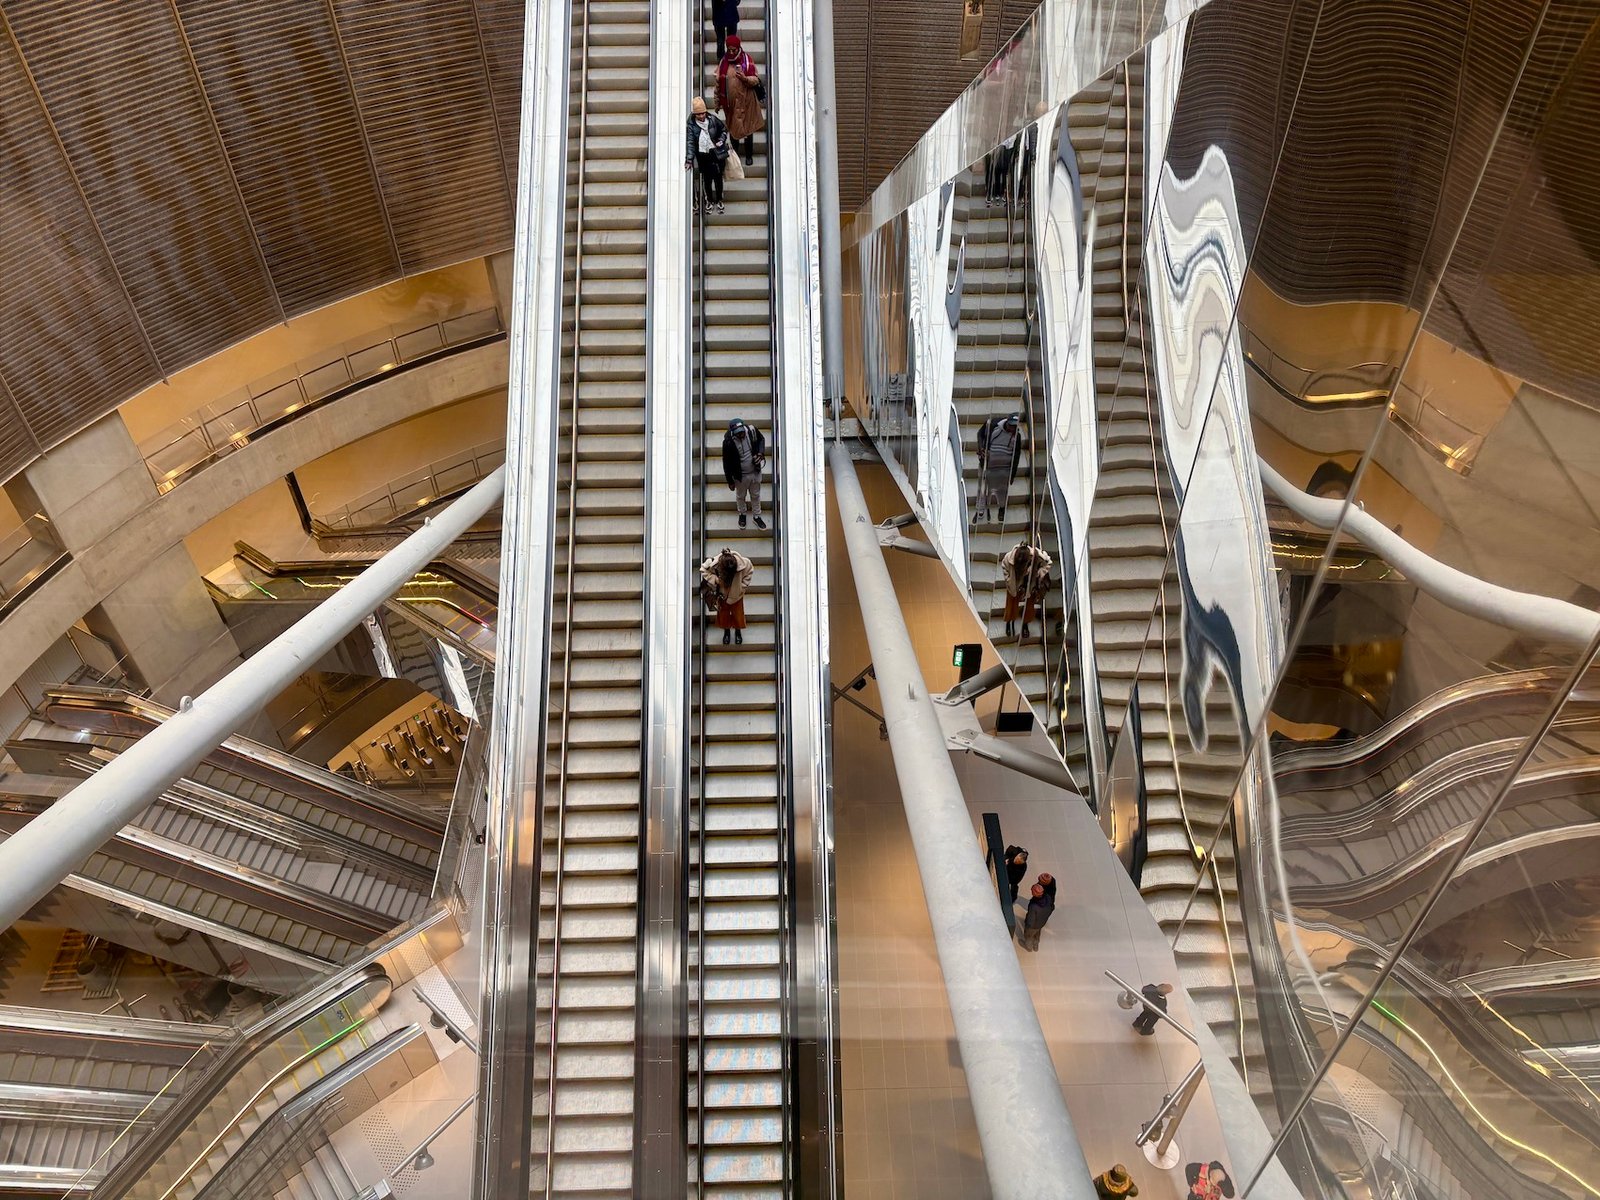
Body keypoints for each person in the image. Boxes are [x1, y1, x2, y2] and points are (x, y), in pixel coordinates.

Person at [717, 35, 765, 164]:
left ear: (738, 48)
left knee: (748, 129)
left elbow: (755, 80)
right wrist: (717, 102)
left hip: (747, 102)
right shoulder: (723, 62)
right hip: (731, 104)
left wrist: (745, 78)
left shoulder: (747, 61)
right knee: (734, 131)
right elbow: (718, 83)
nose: (731, 52)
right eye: (729, 50)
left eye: (734, 50)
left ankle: (749, 155)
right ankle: (736, 156)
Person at [685, 97, 730, 213]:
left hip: (716, 154)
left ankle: (719, 199)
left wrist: (721, 139)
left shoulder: (713, 120)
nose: (701, 116)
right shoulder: (691, 126)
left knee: (718, 178)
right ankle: (709, 200)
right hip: (703, 156)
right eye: (698, 114)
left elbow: (723, 130)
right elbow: (690, 142)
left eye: (702, 113)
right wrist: (689, 159)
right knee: (707, 180)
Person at [699, 547, 754, 644]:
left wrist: (742, 587)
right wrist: (715, 579)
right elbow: (703, 569)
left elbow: (749, 572)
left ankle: (738, 631)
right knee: (723, 615)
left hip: (737, 595)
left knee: (738, 614)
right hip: (722, 595)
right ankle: (727, 631)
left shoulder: (744, 563)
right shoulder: (714, 563)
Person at [999, 541, 1052, 640]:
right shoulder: (1009, 557)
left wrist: (1040, 573)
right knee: (1011, 604)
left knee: (1029, 607)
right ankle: (1010, 621)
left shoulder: (1036, 555)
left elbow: (1048, 562)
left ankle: (1025, 624)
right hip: (1014, 584)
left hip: (1030, 584)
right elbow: (1004, 567)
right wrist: (1009, 580)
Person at [975, 412, 1022, 521]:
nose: (1012, 429)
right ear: (1007, 422)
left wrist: (1012, 475)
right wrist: (981, 448)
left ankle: (1001, 509)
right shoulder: (992, 425)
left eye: (1015, 427)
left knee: (1002, 491)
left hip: (1003, 469)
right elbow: (980, 434)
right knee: (982, 488)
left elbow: (1016, 457)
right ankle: (981, 509)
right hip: (987, 464)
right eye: (1011, 426)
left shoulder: (1016, 437)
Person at [721, 417, 767, 529]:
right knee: (741, 496)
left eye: (742, 432)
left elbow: (761, 439)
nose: (741, 434)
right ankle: (742, 514)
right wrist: (730, 481)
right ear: (733, 432)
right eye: (738, 433)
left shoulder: (751, 431)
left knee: (755, 495)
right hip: (740, 476)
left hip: (754, 472)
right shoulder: (728, 442)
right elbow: (726, 463)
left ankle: (757, 516)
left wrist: (760, 453)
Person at [1016, 883, 1053, 951]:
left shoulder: (1034, 906)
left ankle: (1028, 947)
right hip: (1041, 923)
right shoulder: (1048, 898)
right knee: (1037, 934)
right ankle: (1036, 946)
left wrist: (1028, 926)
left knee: (1028, 936)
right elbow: (1052, 907)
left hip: (1033, 926)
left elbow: (1031, 919)